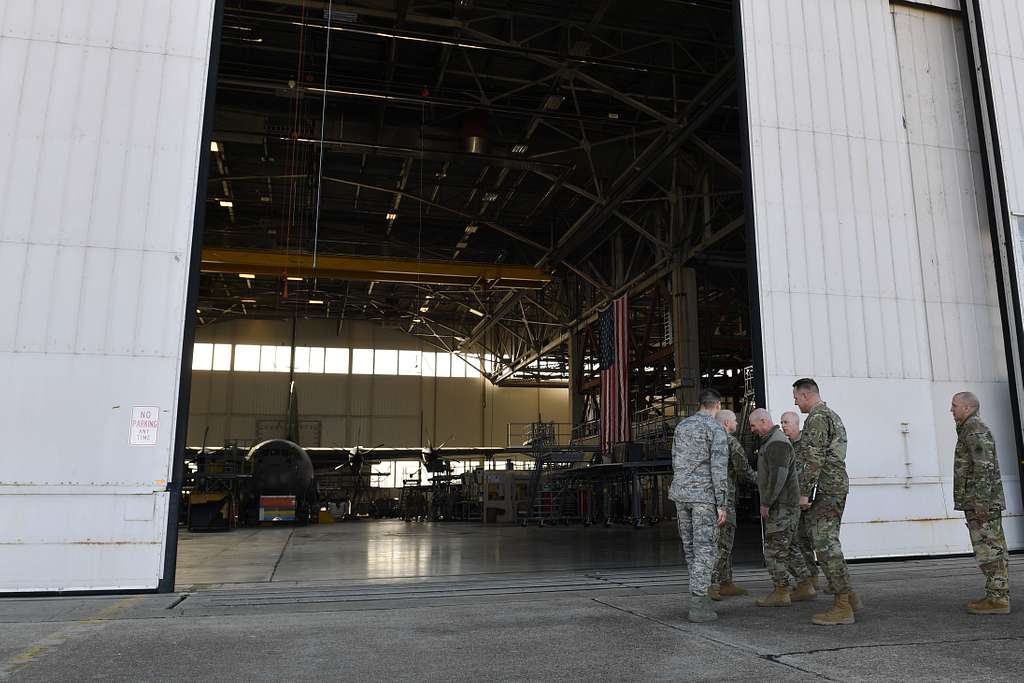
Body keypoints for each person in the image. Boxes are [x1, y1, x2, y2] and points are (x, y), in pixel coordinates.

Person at [793, 378, 859, 625]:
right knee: (828, 540)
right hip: (834, 485)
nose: (796, 403)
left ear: (806, 394)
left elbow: (813, 457)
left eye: (797, 398)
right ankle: (850, 597)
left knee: (825, 543)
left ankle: (842, 605)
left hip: (826, 487)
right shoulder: (832, 415)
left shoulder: (818, 418)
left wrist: (804, 492)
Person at [669, 388, 729, 623]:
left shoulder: (682, 427)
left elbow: (675, 460)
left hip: (681, 495)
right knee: (705, 549)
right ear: (717, 405)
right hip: (704, 497)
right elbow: (718, 468)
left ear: (700, 404)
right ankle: (698, 603)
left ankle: (699, 596)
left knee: (691, 548)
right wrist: (722, 503)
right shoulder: (715, 429)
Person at [951, 392, 1010, 614]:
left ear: (967, 408)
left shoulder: (974, 429)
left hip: (981, 503)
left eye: (954, 405)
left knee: (989, 549)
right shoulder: (969, 429)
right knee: (990, 547)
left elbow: (983, 467)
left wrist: (981, 503)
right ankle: (996, 594)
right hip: (979, 501)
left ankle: (998, 599)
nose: (951, 410)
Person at [747, 409, 812, 606]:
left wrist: (766, 502)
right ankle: (804, 586)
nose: (752, 430)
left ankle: (781, 591)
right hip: (785, 505)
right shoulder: (773, 441)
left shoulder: (776, 443)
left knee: (773, 550)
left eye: (753, 425)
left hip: (782, 506)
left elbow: (778, 477)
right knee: (790, 547)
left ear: (763, 421)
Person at [709, 409, 757, 600]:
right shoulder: (730, 442)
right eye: (735, 420)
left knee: (720, 541)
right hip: (725, 500)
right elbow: (744, 471)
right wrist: (764, 480)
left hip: (710, 498)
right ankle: (710, 584)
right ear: (727, 423)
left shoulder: (708, 440)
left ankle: (726, 582)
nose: (737, 423)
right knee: (724, 544)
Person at [781, 410, 821, 597]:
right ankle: (811, 578)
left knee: (817, 539)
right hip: (794, 500)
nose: (783, 426)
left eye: (787, 422)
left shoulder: (806, 443)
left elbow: (815, 469)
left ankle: (832, 579)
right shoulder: (786, 445)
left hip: (809, 500)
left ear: (797, 423)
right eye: (782, 422)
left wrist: (810, 496)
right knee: (800, 539)